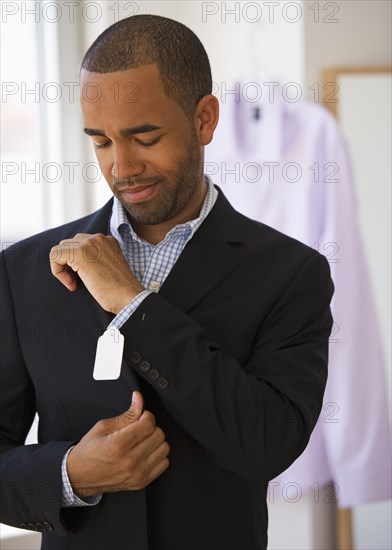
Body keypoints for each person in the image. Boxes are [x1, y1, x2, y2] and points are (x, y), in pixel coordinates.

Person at [0, 14, 334, 550]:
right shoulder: (24, 271)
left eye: (144, 137)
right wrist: (69, 475)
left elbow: (269, 443)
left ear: (204, 119)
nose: (121, 165)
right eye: (101, 142)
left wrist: (133, 305)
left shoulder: (291, 273)